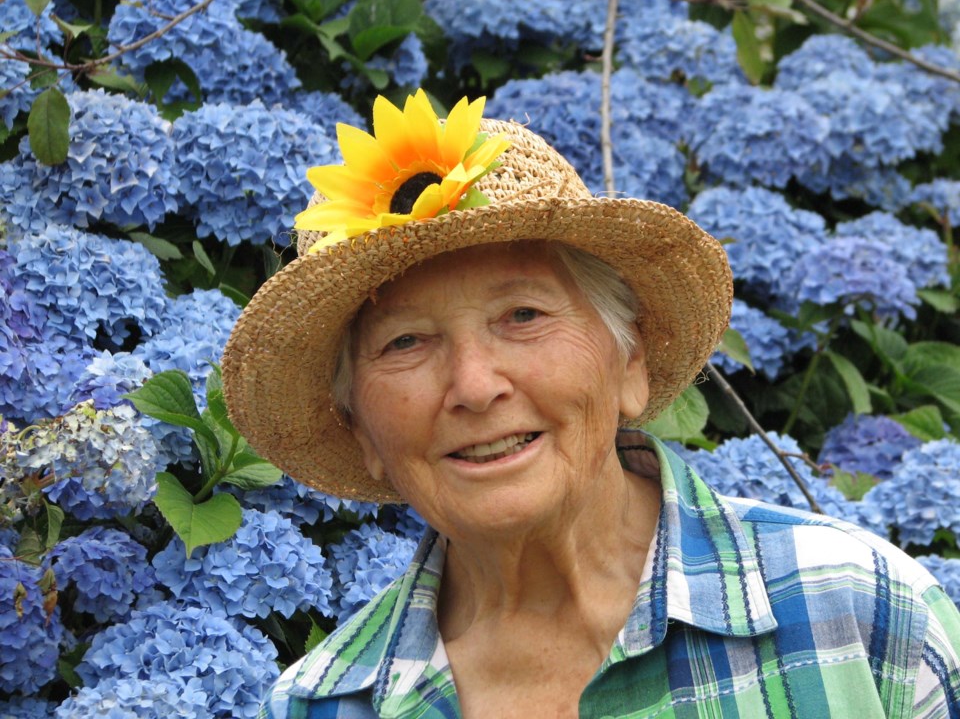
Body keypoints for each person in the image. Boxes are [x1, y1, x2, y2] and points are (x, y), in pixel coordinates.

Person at [222, 90, 960, 718]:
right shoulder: (323, 705)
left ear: (629, 359)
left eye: (523, 316)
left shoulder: (861, 612)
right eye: (407, 341)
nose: (476, 386)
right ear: (362, 434)